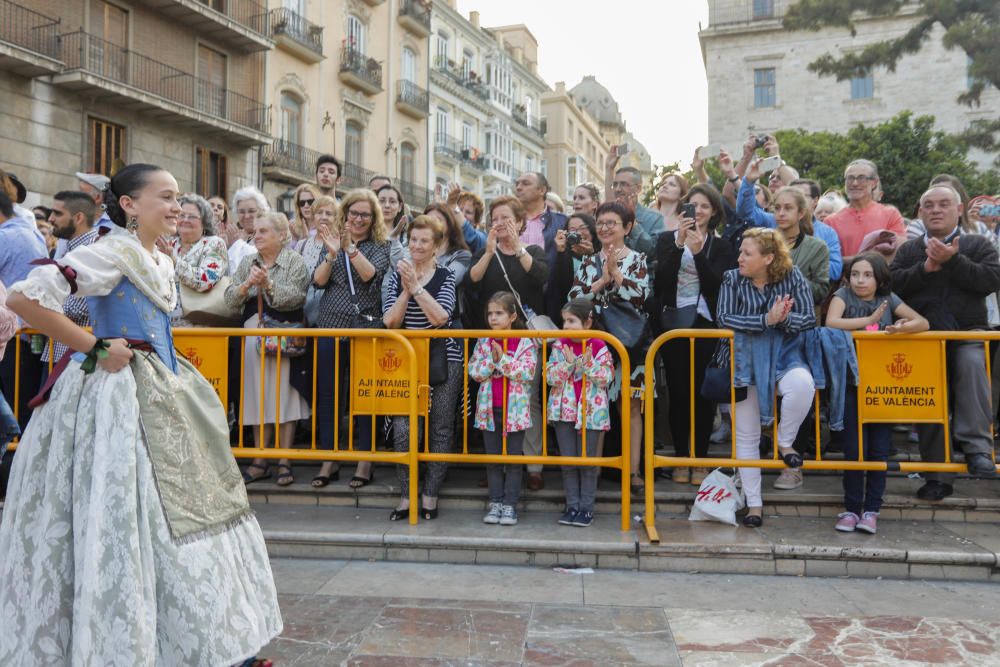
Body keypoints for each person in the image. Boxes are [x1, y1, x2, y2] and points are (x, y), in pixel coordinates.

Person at [0, 163, 281, 664]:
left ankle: (197, 641)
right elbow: (26, 297)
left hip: (163, 392)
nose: (177, 206)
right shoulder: (111, 250)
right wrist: (93, 347)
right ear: (128, 204)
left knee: (180, 515)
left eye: (179, 198)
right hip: (116, 399)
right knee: (132, 518)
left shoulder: (159, 257)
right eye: (165, 196)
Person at [891, 185, 1000, 499]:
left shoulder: (978, 244)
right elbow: (894, 285)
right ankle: (937, 474)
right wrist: (925, 269)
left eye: (943, 204)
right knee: (930, 390)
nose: (935, 210)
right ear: (920, 212)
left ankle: (978, 450)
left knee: (971, 361)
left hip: (968, 332)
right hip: (924, 338)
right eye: (928, 205)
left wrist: (953, 261)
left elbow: (991, 280)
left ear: (960, 209)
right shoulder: (910, 250)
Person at [716, 228, 817, 527]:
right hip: (742, 359)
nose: (740, 258)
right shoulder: (731, 278)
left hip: (785, 354)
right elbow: (723, 318)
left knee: (803, 384)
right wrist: (765, 320)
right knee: (746, 435)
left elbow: (809, 317)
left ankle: (785, 442)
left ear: (768, 258)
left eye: (747, 253)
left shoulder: (793, 276)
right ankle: (754, 505)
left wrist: (784, 319)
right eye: (741, 252)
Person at [827, 253, 928, 534]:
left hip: (880, 386)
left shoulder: (889, 299)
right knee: (854, 449)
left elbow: (923, 322)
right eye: (856, 274)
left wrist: (899, 328)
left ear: (880, 278)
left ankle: (871, 510)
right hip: (850, 383)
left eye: (868, 275)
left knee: (878, 450)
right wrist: (868, 320)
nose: (861, 280)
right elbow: (831, 322)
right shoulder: (843, 295)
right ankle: (851, 508)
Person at [653, 184, 737, 485]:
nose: (697, 211)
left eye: (704, 206)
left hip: (707, 323)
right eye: (692, 205)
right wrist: (679, 244)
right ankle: (681, 456)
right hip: (674, 325)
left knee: (703, 395)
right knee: (678, 393)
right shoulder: (666, 240)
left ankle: (700, 458)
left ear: (714, 211)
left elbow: (718, 287)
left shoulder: (723, 245)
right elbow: (660, 281)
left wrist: (700, 254)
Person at [383, 215, 463, 521]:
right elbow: (390, 321)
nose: (416, 246)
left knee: (441, 427)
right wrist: (406, 288)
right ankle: (407, 496)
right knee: (404, 430)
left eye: (424, 241)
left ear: (436, 246)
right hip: (405, 361)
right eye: (412, 240)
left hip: (444, 358)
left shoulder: (445, 276)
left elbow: (440, 317)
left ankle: (430, 495)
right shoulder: (396, 276)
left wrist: (417, 287)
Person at [467, 195, 549, 488]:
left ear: (520, 222)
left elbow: (540, 276)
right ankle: (495, 465)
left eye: (506, 219)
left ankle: (532, 465)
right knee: (491, 399)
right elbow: (471, 281)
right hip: (490, 339)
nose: (500, 224)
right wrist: (489, 252)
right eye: (495, 218)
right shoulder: (485, 252)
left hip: (524, 339)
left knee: (528, 399)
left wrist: (516, 249)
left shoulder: (534, 251)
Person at [312, 189, 390, 488]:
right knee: (330, 396)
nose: (358, 219)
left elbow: (370, 275)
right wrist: (333, 253)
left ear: (373, 219)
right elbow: (318, 281)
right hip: (330, 326)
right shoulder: (332, 242)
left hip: (364, 329)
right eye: (354, 213)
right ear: (345, 214)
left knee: (364, 396)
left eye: (365, 215)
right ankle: (330, 459)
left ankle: (364, 460)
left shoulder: (381, 246)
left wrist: (351, 250)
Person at [226, 212, 311, 487]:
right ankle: (260, 460)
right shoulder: (247, 262)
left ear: (281, 235)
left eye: (264, 231)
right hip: (253, 333)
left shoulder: (294, 261)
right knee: (255, 395)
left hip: (285, 334)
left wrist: (269, 285)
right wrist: (247, 285)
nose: (257, 235)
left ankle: (284, 460)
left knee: (285, 396)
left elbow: (298, 296)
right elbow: (229, 300)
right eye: (256, 231)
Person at [569, 201, 649, 492]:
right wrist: (601, 280)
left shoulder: (638, 259)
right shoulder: (589, 261)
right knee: (594, 408)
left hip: (631, 344)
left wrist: (617, 275)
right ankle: (593, 470)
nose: (604, 228)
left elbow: (641, 297)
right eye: (600, 223)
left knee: (631, 410)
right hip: (596, 345)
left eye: (611, 223)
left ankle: (633, 472)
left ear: (627, 228)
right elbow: (574, 300)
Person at [469, 291, 538, 526]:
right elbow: (475, 372)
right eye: (490, 314)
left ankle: (510, 505)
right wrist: (493, 360)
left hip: (515, 411)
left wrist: (502, 360)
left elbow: (527, 372)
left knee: (513, 459)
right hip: (489, 409)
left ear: (512, 316)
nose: (493, 318)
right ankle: (495, 502)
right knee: (493, 459)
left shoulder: (525, 342)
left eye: (499, 313)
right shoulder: (483, 340)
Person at [547, 297, 613, 527]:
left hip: (591, 412)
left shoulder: (599, 344)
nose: (566, 326)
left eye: (571, 321)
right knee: (568, 462)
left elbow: (606, 377)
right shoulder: (559, 345)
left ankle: (586, 508)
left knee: (587, 463)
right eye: (564, 321)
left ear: (587, 323)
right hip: (563, 411)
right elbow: (550, 377)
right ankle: (572, 506)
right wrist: (567, 364)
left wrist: (586, 364)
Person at [0, 174, 47, 429]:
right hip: (26, 336)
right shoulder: (31, 233)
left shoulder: (6, 237)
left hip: (12, 339)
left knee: (13, 418)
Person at [43, 190, 100, 366]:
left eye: (57, 213)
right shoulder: (73, 247)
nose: (50, 218)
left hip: (75, 355)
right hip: (61, 349)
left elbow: (76, 308)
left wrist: (39, 306)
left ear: (79, 218)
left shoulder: (93, 251)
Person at [168, 193, 229, 327]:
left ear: (204, 221)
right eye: (182, 215)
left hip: (200, 324)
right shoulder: (170, 245)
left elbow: (206, 280)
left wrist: (174, 262)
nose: (185, 220)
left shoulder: (214, 244)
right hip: (167, 324)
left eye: (192, 217)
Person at [825, 159, 906, 259]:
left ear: (874, 183)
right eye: (850, 178)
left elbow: (899, 254)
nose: (854, 183)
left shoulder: (891, 215)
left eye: (861, 178)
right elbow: (828, 262)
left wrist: (851, 261)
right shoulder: (831, 221)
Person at [549, 212, 601, 325]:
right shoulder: (564, 255)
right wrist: (561, 252)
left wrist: (592, 255)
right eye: (572, 230)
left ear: (592, 229)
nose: (578, 233)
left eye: (583, 228)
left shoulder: (602, 251)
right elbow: (561, 287)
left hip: (597, 315)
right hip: (570, 317)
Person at [790, 178, 843, 282]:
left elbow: (835, 271)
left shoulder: (828, 233)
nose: (796, 200)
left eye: (802, 196)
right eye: (792, 195)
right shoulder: (774, 224)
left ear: (815, 200)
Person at [514, 171, 567, 273]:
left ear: (542, 190)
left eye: (525, 183)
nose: (518, 188)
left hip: (550, 286)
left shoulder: (562, 222)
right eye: (517, 184)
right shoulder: (508, 221)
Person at [605, 165, 656, 255]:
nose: (617, 189)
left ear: (638, 188)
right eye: (615, 185)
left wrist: (633, 222)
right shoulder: (606, 216)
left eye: (624, 184)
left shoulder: (654, 218)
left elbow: (652, 252)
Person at [229, 186, 268, 274]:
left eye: (251, 211)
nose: (246, 216)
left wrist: (237, 245)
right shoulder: (233, 236)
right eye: (242, 212)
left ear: (261, 211)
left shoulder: (268, 237)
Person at [457, 189, 487, 254]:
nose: (462, 214)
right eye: (460, 210)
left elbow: (471, 237)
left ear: (476, 220)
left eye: (468, 212)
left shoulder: (481, 237)